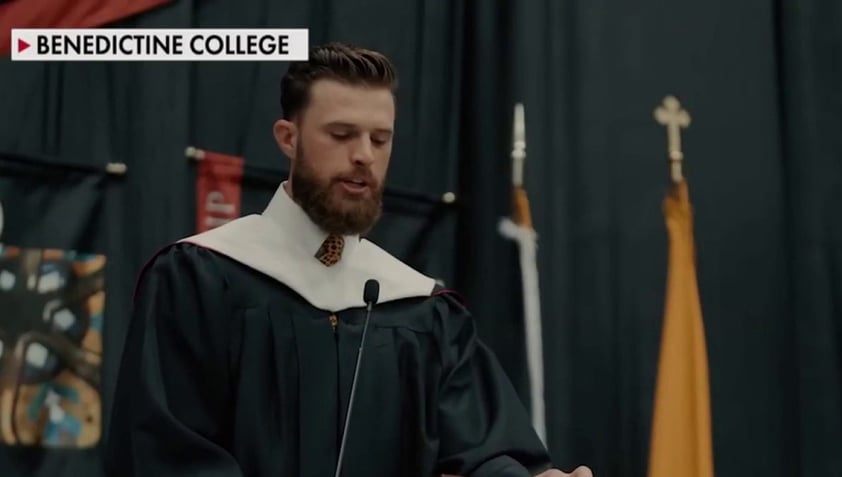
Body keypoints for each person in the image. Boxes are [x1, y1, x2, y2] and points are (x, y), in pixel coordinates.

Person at [104, 42, 593, 477]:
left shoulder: (421, 308)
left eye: (380, 139)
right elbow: (165, 453)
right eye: (342, 134)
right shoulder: (201, 277)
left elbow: (483, 449)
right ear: (288, 138)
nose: (365, 156)